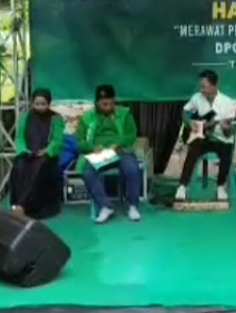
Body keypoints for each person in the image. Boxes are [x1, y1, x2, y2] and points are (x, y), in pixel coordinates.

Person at [76, 84, 144, 223]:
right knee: (88, 173)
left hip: (120, 151)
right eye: (104, 104)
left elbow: (131, 134)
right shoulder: (87, 117)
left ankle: (133, 206)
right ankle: (105, 206)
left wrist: (118, 144)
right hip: (98, 154)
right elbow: (79, 142)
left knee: (132, 169)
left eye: (111, 103)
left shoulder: (124, 114)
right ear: (96, 103)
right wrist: (92, 147)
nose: (108, 107)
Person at [177, 69, 236, 202]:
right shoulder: (197, 98)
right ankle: (182, 186)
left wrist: (226, 128)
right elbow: (185, 112)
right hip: (203, 138)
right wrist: (189, 122)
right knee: (192, 151)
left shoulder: (227, 102)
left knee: (227, 152)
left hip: (221, 139)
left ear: (214, 86)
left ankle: (220, 186)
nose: (202, 90)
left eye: (204, 87)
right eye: (201, 86)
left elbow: (229, 132)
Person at [10, 88, 66, 219]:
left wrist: (47, 151)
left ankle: (22, 206)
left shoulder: (56, 118)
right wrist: (24, 151)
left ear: (49, 103)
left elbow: (57, 140)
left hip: (46, 155)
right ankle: (19, 204)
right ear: (32, 103)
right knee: (20, 166)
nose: (40, 107)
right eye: (37, 104)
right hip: (27, 152)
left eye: (43, 104)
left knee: (39, 167)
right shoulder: (25, 117)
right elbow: (19, 138)